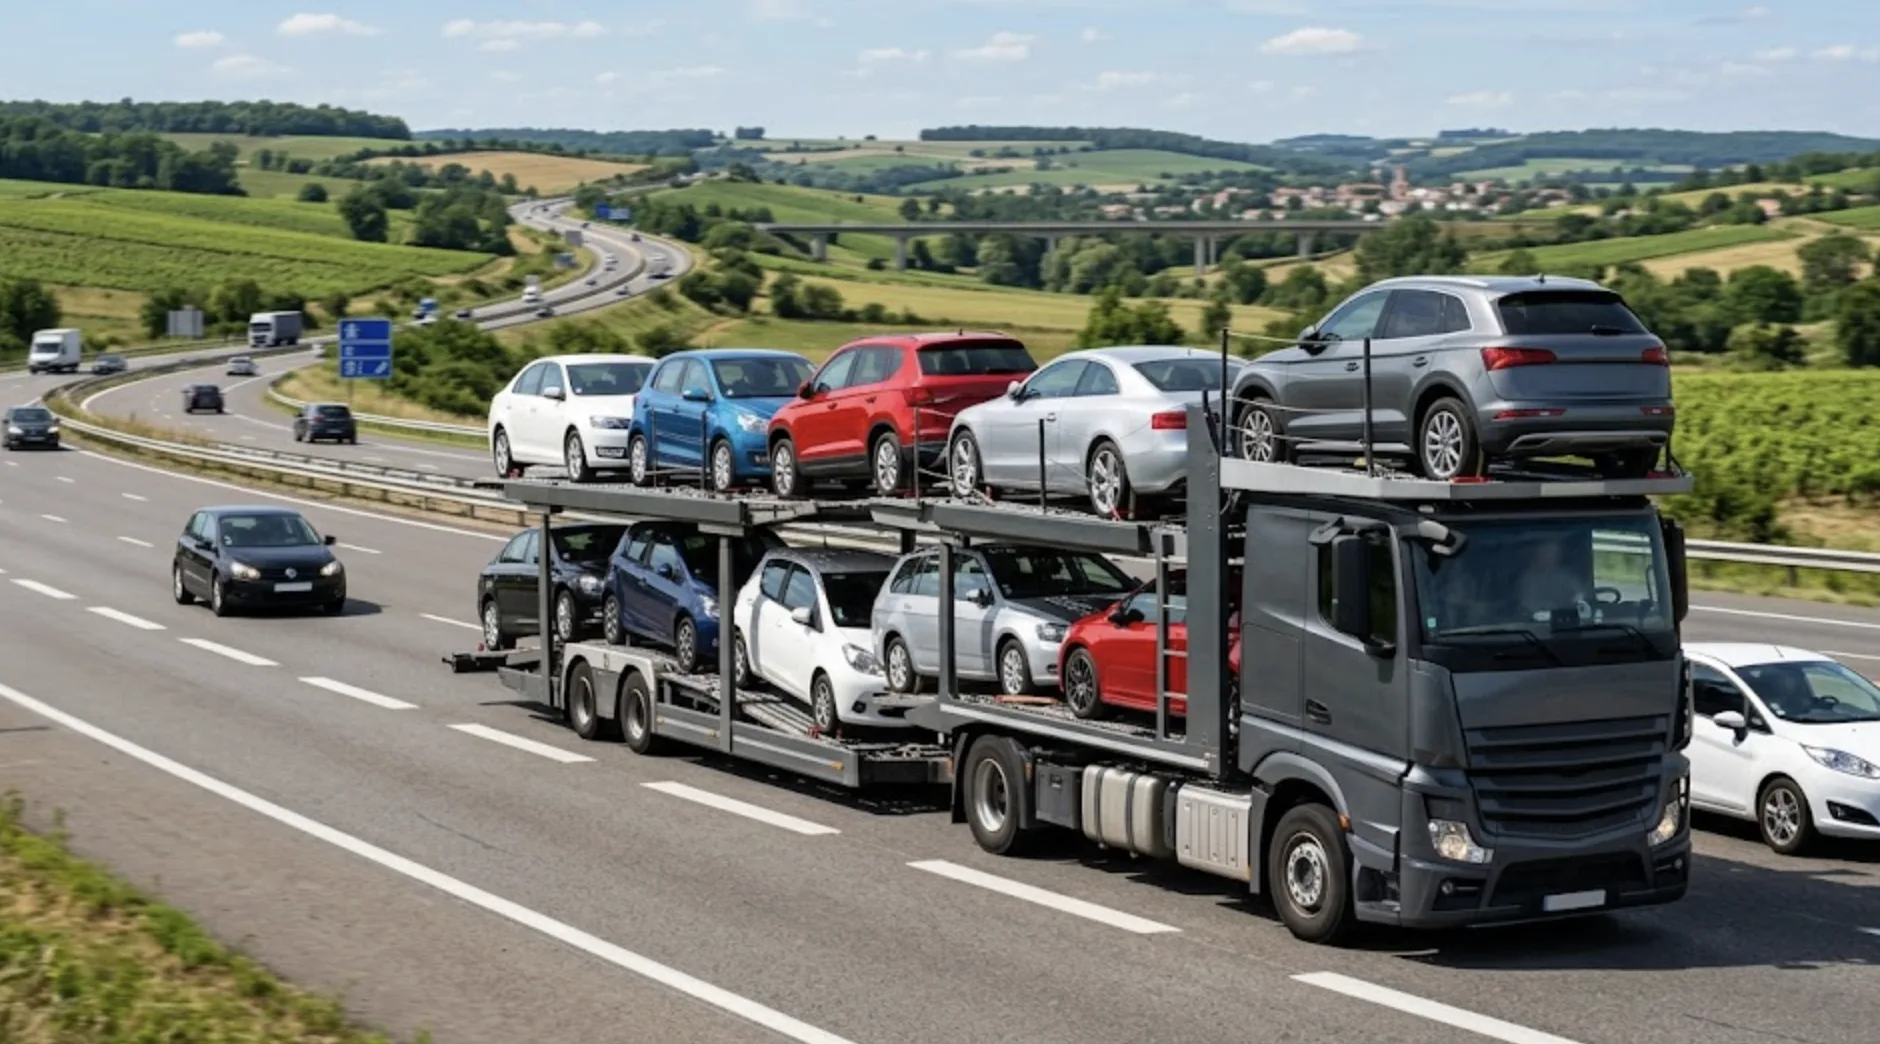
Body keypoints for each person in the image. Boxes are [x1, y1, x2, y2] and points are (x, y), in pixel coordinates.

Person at [1517, 535, 1586, 622]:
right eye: (1546, 552)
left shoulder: (1565, 577)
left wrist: (1577, 600)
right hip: (1537, 625)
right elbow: (1528, 607)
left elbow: (1580, 596)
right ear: (1537, 553)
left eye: (1554, 553)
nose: (1551, 557)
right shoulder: (1528, 580)